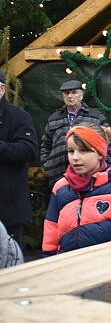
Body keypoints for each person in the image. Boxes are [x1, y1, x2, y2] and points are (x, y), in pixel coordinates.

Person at [41, 123, 111, 305]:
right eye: (71, 151)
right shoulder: (61, 188)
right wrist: (48, 269)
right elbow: (51, 232)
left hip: (108, 275)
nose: (75, 158)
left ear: (100, 153)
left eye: (84, 151)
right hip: (69, 274)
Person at [40, 80, 111, 184]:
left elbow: (109, 142)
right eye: (66, 93)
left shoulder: (96, 116)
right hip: (58, 176)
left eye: (74, 92)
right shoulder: (54, 118)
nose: (70, 96)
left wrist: (100, 165)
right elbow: (45, 144)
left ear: (81, 95)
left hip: (90, 177)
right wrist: (47, 165)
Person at [0, 71, 38, 248]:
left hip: (9, 208)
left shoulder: (18, 116)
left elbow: (29, 149)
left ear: (1, 89)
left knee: (10, 264)